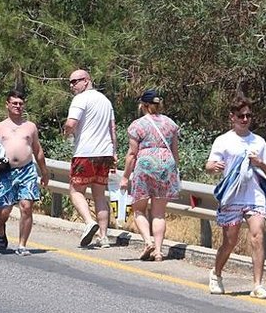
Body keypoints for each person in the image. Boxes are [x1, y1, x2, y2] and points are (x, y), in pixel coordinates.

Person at [205, 95, 266, 299]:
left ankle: (258, 285)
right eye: (241, 115)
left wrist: (260, 162)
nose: (245, 119)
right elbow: (209, 166)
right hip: (232, 196)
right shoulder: (223, 140)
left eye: (248, 115)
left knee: (257, 236)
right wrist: (214, 167)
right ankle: (216, 273)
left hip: (255, 195)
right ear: (232, 117)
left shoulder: (259, 141)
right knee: (230, 241)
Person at [120, 89, 180, 262]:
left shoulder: (137, 125)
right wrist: (173, 171)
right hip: (166, 165)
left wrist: (125, 177)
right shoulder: (170, 124)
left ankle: (147, 242)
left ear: (143, 105)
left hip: (145, 163)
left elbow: (132, 154)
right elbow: (175, 152)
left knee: (139, 209)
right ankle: (159, 251)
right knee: (159, 213)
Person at [0, 90, 49, 256]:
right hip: (6, 172)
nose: (18, 106)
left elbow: (37, 150)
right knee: (4, 212)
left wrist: (44, 172)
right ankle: (0, 228)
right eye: (14, 103)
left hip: (27, 171)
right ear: (7, 104)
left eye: (20, 104)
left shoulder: (30, 127)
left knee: (26, 207)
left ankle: (22, 245)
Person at [63, 69, 117, 248]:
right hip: (105, 153)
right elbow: (112, 129)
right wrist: (114, 152)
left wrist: (66, 132)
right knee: (100, 195)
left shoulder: (80, 99)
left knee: (75, 189)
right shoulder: (106, 101)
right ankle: (104, 237)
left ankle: (88, 222)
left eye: (75, 81)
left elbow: (71, 123)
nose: (72, 86)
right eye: (70, 82)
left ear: (86, 81)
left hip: (85, 152)